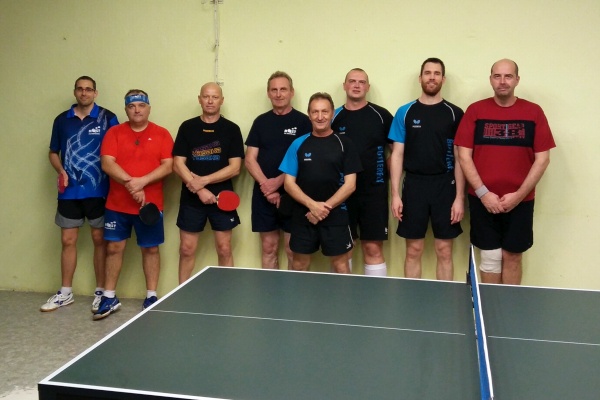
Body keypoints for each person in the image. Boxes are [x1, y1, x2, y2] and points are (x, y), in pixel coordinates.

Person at [455, 59, 556, 285]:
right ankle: (490, 307)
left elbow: (543, 159)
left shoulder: (534, 112)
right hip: (482, 200)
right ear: (490, 79)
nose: (502, 81)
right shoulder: (475, 110)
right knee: (490, 256)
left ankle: (509, 306)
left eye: (508, 76)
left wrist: (518, 196)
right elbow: (463, 156)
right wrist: (483, 193)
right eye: (497, 76)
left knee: (512, 256)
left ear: (517, 80)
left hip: (521, 201)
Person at [93, 89, 173, 320]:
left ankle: (151, 296)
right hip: (117, 205)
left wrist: (142, 182)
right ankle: (109, 296)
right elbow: (107, 163)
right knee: (113, 248)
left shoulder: (162, 134)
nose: (137, 110)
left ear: (149, 108)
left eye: (141, 105)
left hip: (150, 206)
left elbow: (168, 165)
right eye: (131, 106)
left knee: (150, 249)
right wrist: (132, 184)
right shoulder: (114, 133)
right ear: (126, 109)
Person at [42, 76, 119, 312]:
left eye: (88, 89)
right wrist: (61, 171)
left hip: (99, 190)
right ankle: (65, 292)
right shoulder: (61, 120)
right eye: (80, 89)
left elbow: (118, 151)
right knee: (68, 241)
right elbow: (53, 152)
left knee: (100, 240)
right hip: (69, 191)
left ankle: (100, 292)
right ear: (75, 92)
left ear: (95, 93)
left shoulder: (108, 118)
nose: (84, 93)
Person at [389, 58, 465, 281]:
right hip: (414, 186)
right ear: (420, 78)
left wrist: (459, 197)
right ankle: (413, 298)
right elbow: (397, 155)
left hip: (445, 186)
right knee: (413, 250)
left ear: (443, 79)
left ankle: (445, 297)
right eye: (428, 73)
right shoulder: (405, 112)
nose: (432, 77)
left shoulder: (455, 113)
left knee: (444, 250)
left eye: (437, 73)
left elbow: (461, 158)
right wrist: (395, 195)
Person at [279, 92, 362, 273]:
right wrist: (313, 206)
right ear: (309, 114)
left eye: (324, 111)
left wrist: (322, 209)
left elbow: (350, 185)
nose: (320, 116)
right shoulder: (298, 144)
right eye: (315, 112)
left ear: (332, 113)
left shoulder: (345, 144)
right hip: (303, 215)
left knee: (341, 266)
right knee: (299, 265)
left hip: (336, 215)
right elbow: (288, 184)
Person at [173, 82, 245, 283]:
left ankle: (227, 293)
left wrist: (203, 181)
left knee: (224, 248)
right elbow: (178, 164)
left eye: (214, 97)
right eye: (206, 96)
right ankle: (182, 294)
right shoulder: (187, 127)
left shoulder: (232, 129)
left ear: (222, 100)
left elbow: (235, 168)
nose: (210, 101)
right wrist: (199, 190)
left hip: (222, 199)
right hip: (191, 199)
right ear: (200, 99)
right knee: (186, 249)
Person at [245, 71, 312, 269]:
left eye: (283, 89)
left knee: (293, 250)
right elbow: (250, 159)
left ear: (292, 92)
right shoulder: (260, 122)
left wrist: (278, 182)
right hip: (264, 195)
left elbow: (306, 160)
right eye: (274, 90)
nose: (278, 94)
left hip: (295, 195)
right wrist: (267, 187)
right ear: (268, 93)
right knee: (269, 248)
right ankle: (270, 289)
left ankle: (293, 290)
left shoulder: (303, 122)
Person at [331, 68, 393, 276]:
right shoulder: (333, 116)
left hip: (374, 193)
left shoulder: (381, 116)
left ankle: (375, 297)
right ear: (344, 86)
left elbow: (398, 151)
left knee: (372, 248)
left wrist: (383, 170)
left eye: (361, 82)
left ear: (368, 87)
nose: (356, 85)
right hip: (340, 194)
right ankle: (342, 296)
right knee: (343, 249)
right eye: (352, 81)